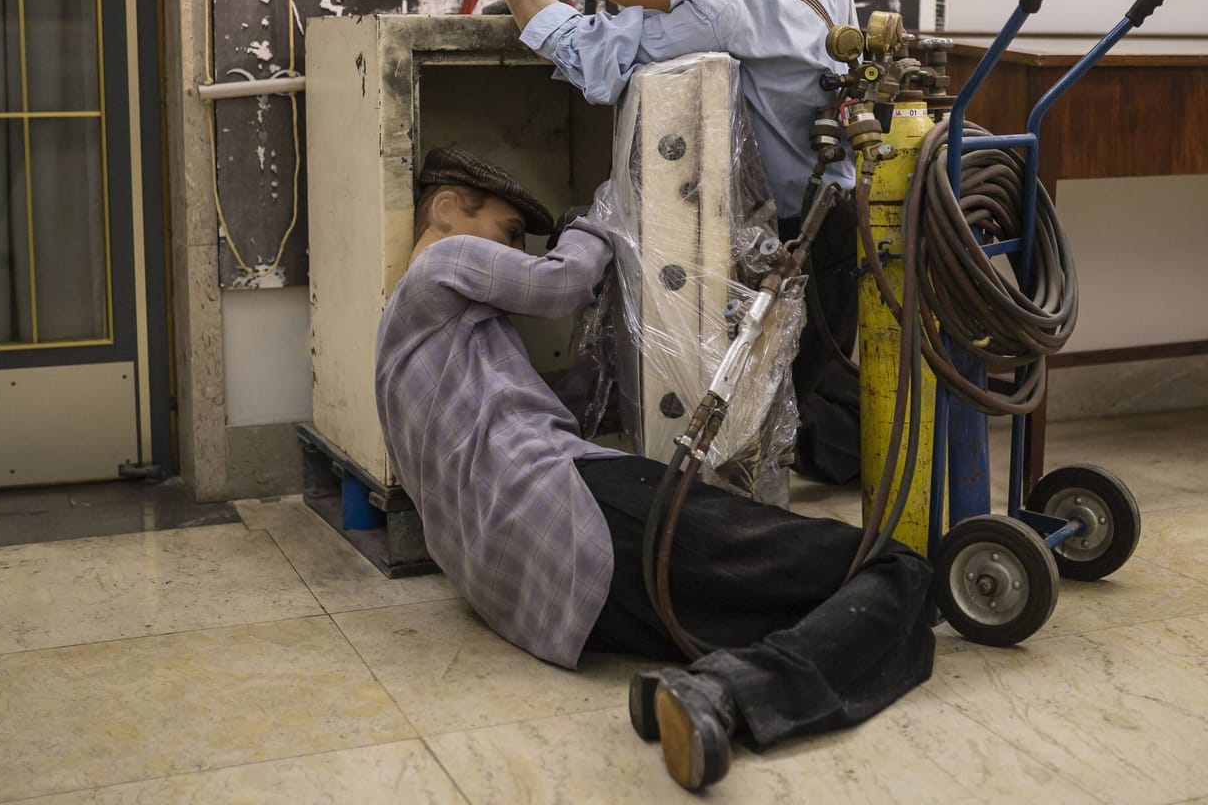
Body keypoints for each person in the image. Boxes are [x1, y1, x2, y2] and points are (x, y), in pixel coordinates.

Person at [375, 146, 934, 791]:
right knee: (893, 564)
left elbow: (543, 413)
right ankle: (730, 692)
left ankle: (713, 692)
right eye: (507, 234)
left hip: (552, 603)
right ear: (445, 209)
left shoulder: (404, 357)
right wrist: (602, 213)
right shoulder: (439, 262)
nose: (514, 252)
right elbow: (560, 283)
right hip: (574, 509)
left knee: (806, 602)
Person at [406, 0, 863, 487]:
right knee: (808, 382)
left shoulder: (725, 2)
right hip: (842, 199)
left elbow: (589, 54)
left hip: (802, 229)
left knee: (775, 408)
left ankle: (753, 531)